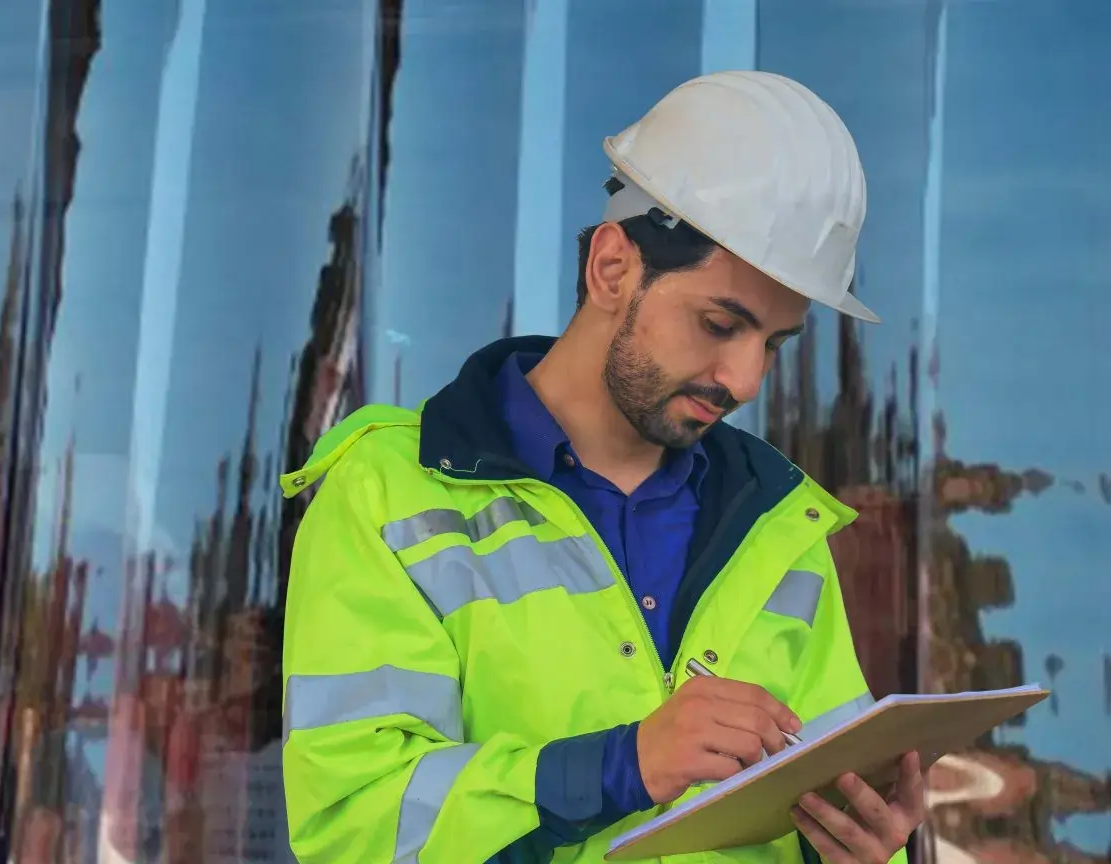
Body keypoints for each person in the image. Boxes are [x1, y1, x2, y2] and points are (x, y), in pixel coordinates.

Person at [277, 70, 925, 863]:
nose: (746, 379)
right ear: (613, 268)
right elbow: (358, 825)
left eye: (775, 345)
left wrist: (858, 851)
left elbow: (824, 800)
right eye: (721, 323)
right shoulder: (389, 491)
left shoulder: (779, 523)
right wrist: (621, 767)